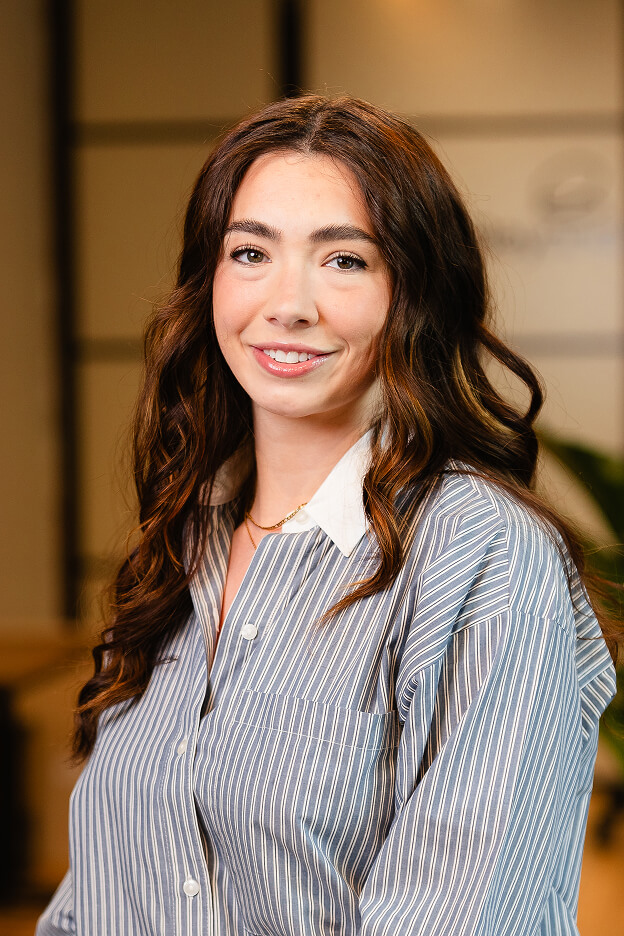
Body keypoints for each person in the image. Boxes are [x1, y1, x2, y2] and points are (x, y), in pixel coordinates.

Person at [37, 95, 618, 936]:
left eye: (344, 261)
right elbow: (99, 901)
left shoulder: (482, 555)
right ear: (209, 283)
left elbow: (466, 915)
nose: (287, 303)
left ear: (413, 292)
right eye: (250, 253)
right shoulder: (187, 543)